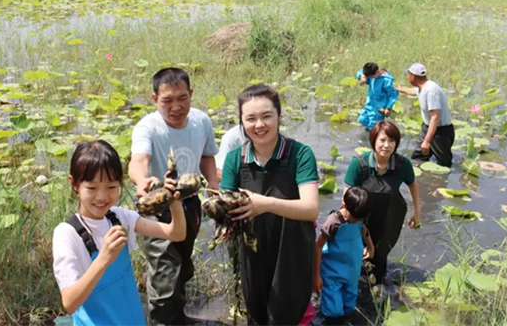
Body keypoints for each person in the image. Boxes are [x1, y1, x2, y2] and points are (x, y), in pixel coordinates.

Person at [52, 140, 186, 326]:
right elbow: (70, 303)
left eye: (111, 187)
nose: (102, 197)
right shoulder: (68, 234)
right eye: (91, 188)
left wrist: (174, 202)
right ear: (74, 184)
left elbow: (176, 233)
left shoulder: (119, 217)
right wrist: (103, 258)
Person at [220, 83, 319, 325]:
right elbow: (224, 205)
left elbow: (310, 209)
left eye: (267, 116)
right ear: (241, 122)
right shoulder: (235, 159)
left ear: (279, 116)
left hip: (292, 248)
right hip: (252, 250)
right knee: (257, 312)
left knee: (289, 312)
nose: (259, 125)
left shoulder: (300, 154)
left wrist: (266, 204)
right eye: (250, 118)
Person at [129, 67, 219, 325]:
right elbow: (139, 159)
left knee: (183, 267)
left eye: (182, 98)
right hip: (160, 210)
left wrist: (212, 181)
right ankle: (163, 321)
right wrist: (142, 180)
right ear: (154, 99)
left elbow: (207, 155)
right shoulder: (148, 127)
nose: (176, 106)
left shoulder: (201, 121)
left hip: (190, 205)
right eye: (167, 100)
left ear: (191, 94)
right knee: (165, 275)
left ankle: (177, 317)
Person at [343, 121, 421, 291]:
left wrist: (417, 212)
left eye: (391, 141)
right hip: (362, 214)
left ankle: (377, 283)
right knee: (358, 250)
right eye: (382, 140)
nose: (386, 145)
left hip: (390, 215)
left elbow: (413, 185)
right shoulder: (359, 164)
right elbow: (346, 196)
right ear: (373, 141)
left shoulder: (402, 165)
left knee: (381, 252)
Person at [313, 187, 374, 325]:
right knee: (333, 310)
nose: (356, 222)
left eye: (359, 219)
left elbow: (364, 230)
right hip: (333, 272)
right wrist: (316, 276)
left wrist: (370, 246)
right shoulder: (334, 221)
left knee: (349, 305)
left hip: (352, 270)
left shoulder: (358, 218)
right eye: (354, 218)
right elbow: (318, 246)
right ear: (344, 205)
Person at [395, 62, 455, 167]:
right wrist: (401, 89)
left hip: (440, 132)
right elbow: (414, 91)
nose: (408, 77)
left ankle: (442, 182)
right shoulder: (422, 87)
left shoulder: (431, 91)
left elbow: (435, 117)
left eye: (408, 75)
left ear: (413, 76)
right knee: (418, 157)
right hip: (427, 127)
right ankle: (422, 180)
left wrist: (427, 141)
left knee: (444, 164)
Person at [356, 62, 399, 131]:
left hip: (378, 108)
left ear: (376, 72)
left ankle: (372, 138)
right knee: (362, 119)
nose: (369, 78)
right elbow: (359, 73)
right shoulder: (371, 75)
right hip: (369, 104)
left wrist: (388, 107)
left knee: (373, 127)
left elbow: (393, 94)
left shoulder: (386, 80)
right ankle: (368, 133)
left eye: (370, 77)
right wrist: (362, 77)